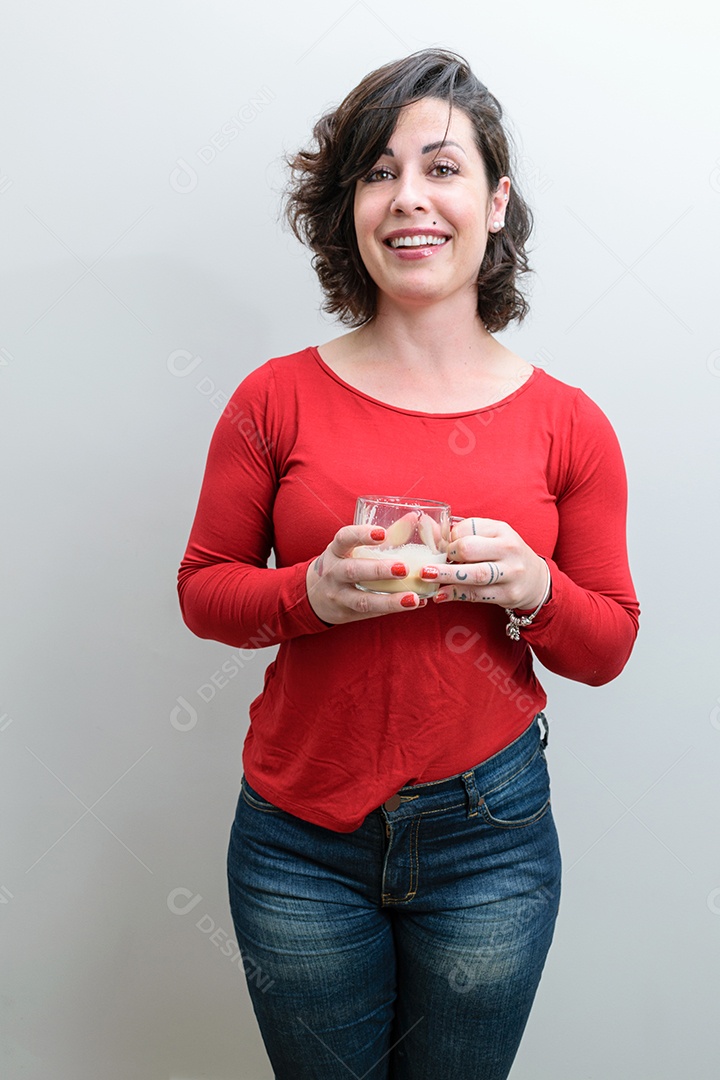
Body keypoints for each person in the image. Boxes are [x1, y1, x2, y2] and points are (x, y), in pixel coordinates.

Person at [177, 48, 639, 1080]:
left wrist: (534, 588)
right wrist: (310, 594)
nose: (408, 199)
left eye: (441, 167)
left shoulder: (572, 425)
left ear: (496, 198)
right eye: (377, 172)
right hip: (298, 839)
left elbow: (607, 644)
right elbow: (205, 588)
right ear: (348, 207)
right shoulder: (273, 399)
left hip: (493, 840)